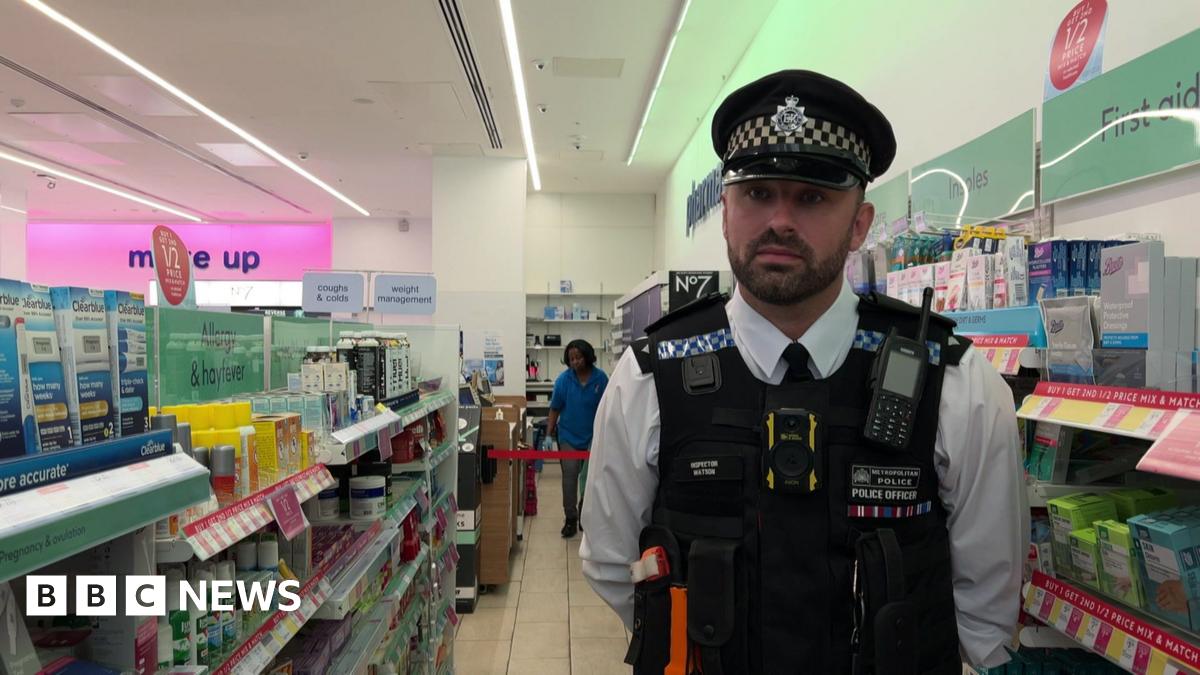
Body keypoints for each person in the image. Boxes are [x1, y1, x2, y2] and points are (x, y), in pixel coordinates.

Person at [580, 70, 1025, 674]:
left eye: (812, 197)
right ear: (726, 213)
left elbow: (986, 601)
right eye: (758, 193)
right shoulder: (648, 378)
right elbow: (611, 563)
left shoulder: (956, 384)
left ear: (860, 223)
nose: (780, 220)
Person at [547, 339, 608, 538]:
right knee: (571, 474)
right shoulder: (564, 380)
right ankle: (571, 518)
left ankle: (585, 512)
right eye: (571, 359)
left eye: (578, 357)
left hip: (593, 436)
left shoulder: (600, 379)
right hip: (568, 436)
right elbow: (555, 408)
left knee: (590, 477)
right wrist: (549, 434)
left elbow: (607, 408)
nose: (575, 362)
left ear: (587, 356)